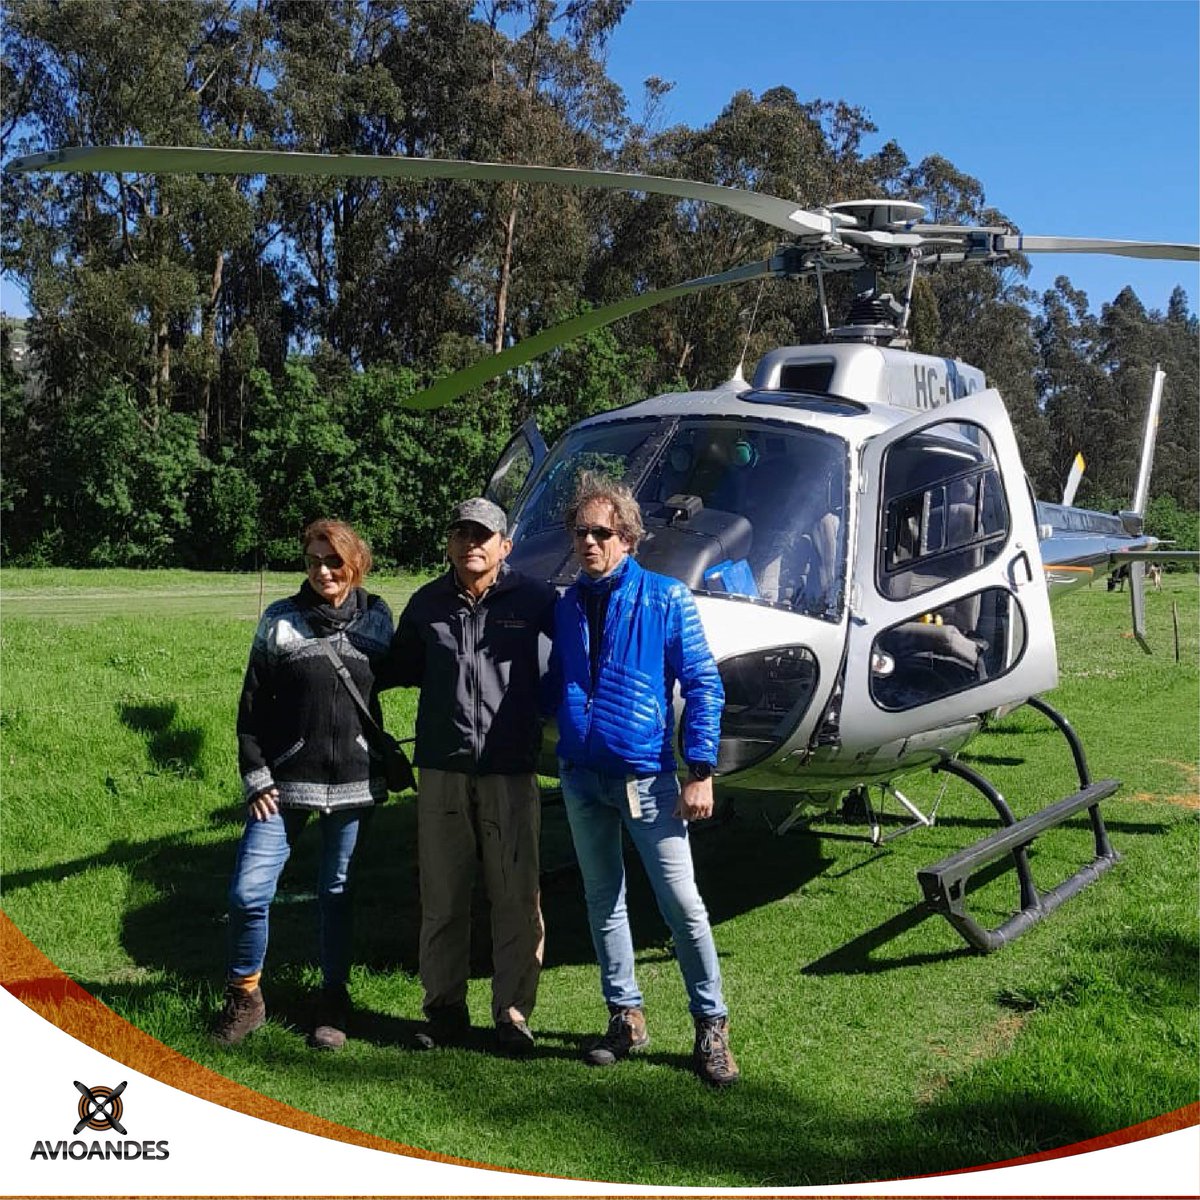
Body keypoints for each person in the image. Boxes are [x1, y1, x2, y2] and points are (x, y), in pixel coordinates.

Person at [551, 471, 739, 1087]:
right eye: (580, 531)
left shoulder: (666, 599)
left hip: (648, 778)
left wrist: (701, 770)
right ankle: (624, 1016)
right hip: (581, 777)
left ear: (628, 538)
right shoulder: (566, 604)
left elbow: (704, 685)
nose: (588, 542)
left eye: (601, 532)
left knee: (681, 905)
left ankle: (711, 1026)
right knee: (603, 902)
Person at [213, 519, 395, 1052]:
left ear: (354, 563)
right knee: (249, 893)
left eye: (333, 561)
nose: (322, 571)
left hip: (355, 783)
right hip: (284, 782)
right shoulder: (280, 621)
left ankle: (333, 1000)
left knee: (337, 894)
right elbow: (249, 711)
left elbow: (417, 671)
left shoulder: (378, 619)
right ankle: (246, 995)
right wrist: (256, 776)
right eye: (314, 561)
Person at [386, 497, 555, 1056]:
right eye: (461, 534)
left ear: (506, 546)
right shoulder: (427, 603)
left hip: (510, 769)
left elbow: (572, 664)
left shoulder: (534, 599)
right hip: (442, 768)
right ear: (450, 545)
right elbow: (394, 669)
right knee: (443, 894)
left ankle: (512, 1013)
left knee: (516, 897)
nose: (471, 544)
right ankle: (443, 1008)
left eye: (483, 535)